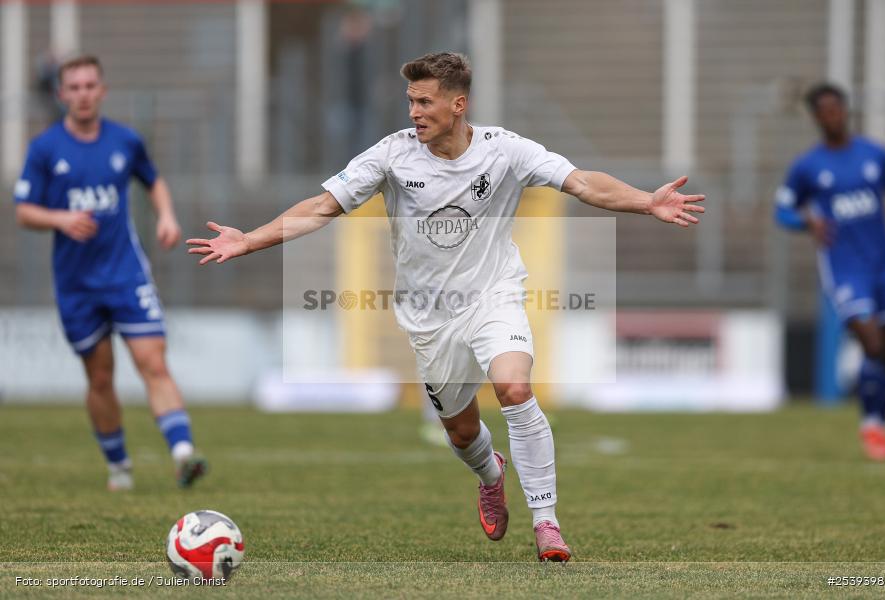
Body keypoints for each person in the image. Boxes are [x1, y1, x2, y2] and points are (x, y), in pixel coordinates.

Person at [188, 52, 704, 561]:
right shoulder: (390, 156)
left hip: (494, 295)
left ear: (458, 105)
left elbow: (582, 182)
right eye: (410, 101)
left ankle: (547, 522)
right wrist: (248, 241)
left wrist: (645, 201)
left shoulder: (506, 149)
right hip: (430, 317)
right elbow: (321, 207)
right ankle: (491, 475)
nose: (413, 112)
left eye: (424, 101)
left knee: (515, 388)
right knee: (461, 432)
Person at [14, 55, 208, 490]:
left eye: (90, 86)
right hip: (77, 284)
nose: (82, 94)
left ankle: (183, 453)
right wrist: (61, 220)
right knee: (100, 376)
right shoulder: (45, 149)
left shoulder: (125, 141)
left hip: (126, 274)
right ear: (62, 95)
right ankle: (118, 465)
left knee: (152, 361)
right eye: (74, 87)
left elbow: (152, 180)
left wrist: (166, 216)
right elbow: (24, 211)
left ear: (102, 91)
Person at [775, 83, 885, 461]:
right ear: (816, 117)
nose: (833, 115)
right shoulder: (807, 167)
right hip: (845, 271)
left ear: (845, 110)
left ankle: (877, 423)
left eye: (837, 108)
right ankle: (871, 427)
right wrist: (806, 222)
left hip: (884, 266)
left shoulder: (874, 155)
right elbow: (782, 211)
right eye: (825, 111)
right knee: (873, 343)